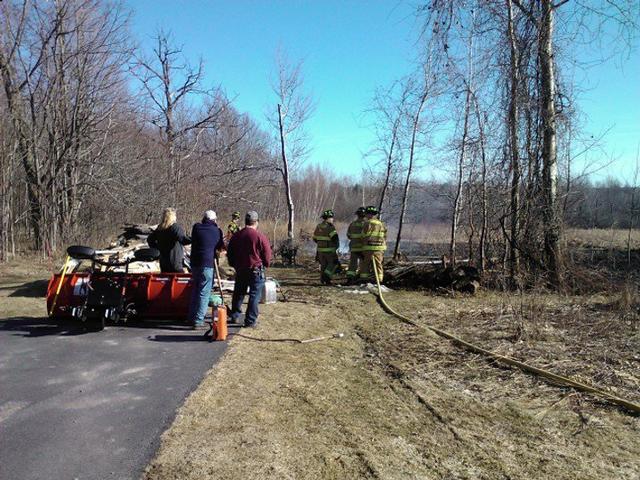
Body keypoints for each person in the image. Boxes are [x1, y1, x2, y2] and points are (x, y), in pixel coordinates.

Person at [227, 211, 272, 328]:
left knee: (238, 293)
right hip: (255, 269)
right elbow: (267, 253)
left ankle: (235, 315)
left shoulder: (237, 235)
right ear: (256, 222)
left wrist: (233, 264)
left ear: (245, 221)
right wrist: (266, 264)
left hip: (241, 269)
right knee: (254, 295)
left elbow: (230, 252)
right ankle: (250, 320)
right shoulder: (259, 236)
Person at [188, 210, 224, 328]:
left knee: (195, 290)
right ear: (214, 220)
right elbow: (219, 246)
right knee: (204, 292)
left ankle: (191, 316)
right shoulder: (217, 231)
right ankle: (198, 320)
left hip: (194, 263)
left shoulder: (196, 228)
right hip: (207, 264)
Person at [147, 207, 191, 273]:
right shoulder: (174, 227)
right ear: (173, 217)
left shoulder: (160, 228)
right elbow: (183, 240)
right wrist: (195, 238)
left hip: (163, 262)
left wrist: (158, 248)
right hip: (175, 262)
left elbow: (150, 240)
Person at [360, 205, 387, 283]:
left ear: (368, 214)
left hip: (368, 248)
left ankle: (363, 280)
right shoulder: (381, 224)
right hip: (379, 249)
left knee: (365, 264)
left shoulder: (367, 223)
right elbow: (385, 236)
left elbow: (363, 236)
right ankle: (379, 280)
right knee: (379, 264)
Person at [313, 209, 340, 285]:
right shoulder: (330, 227)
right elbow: (335, 238)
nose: (332, 219)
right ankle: (326, 276)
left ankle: (324, 280)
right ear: (328, 218)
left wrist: (321, 244)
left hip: (320, 251)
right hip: (329, 251)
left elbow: (315, 238)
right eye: (332, 218)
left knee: (323, 265)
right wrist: (336, 246)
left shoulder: (318, 226)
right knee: (333, 263)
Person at [346, 207, 366, 283]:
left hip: (354, 247)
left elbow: (348, 235)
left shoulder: (352, 224)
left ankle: (350, 278)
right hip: (363, 248)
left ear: (357, 215)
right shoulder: (367, 224)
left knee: (353, 264)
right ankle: (362, 279)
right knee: (364, 264)